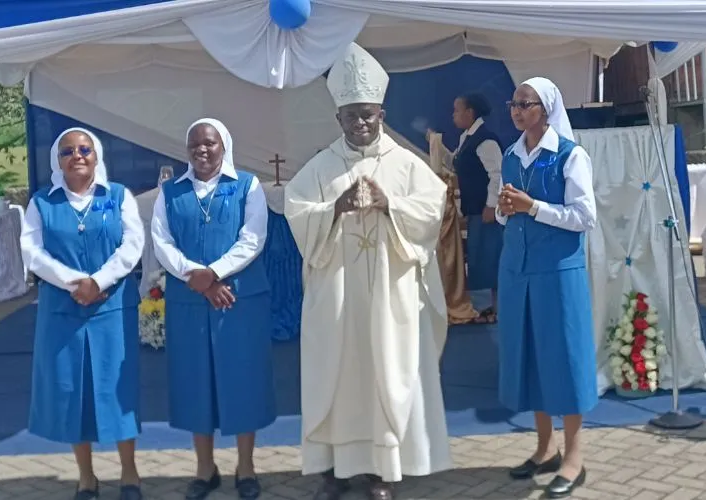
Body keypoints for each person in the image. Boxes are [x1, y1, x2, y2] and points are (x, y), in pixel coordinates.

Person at [284, 43, 452, 500]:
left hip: (389, 297)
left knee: (386, 374)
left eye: (368, 114)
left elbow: (433, 208)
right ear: (338, 118)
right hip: (338, 298)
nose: (360, 123)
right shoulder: (321, 167)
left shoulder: (405, 163)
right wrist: (333, 208)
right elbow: (297, 210)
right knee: (337, 377)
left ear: (382, 113)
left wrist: (389, 203)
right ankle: (336, 470)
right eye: (351, 116)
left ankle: (383, 472)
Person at [151, 118, 275, 500]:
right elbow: (161, 241)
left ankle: (246, 466)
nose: (201, 150)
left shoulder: (247, 186)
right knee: (195, 381)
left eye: (209, 143)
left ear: (225, 146)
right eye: (194, 144)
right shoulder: (170, 192)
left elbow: (253, 237)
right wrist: (197, 277)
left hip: (237, 299)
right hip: (190, 301)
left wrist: (215, 273)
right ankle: (205, 468)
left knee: (242, 379)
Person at [21, 128, 145, 500]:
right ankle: (86, 477)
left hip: (111, 310)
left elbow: (133, 244)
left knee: (117, 389)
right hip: (64, 310)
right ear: (57, 161)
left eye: (84, 149)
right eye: (67, 151)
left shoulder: (118, 196)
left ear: (96, 155)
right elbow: (32, 252)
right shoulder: (41, 203)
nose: (77, 156)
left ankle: (129, 473)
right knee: (73, 390)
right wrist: (75, 282)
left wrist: (99, 281)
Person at [496, 77, 598, 499]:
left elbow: (585, 216)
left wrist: (532, 207)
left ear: (547, 108)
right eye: (514, 103)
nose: (517, 110)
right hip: (517, 270)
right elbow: (504, 213)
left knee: (565, 359)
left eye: (526, 103)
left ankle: (574, 456)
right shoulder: (510, 155)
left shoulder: (571, 156)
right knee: (531, 356)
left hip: (557, 271)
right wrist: (505, 209)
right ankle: (545, 448)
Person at [429, 93, 504, 323]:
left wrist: (492, 205)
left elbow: (497, 174)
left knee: (489, 257)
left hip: (485, 210)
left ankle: (495, 308)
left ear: (469, 112)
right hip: (474, 210)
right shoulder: (467, 138)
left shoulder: (485, 141)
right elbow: (455, 164)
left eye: (457, 110)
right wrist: (436, 145)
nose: (453, 115)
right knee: (480, 257)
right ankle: (487, 307)